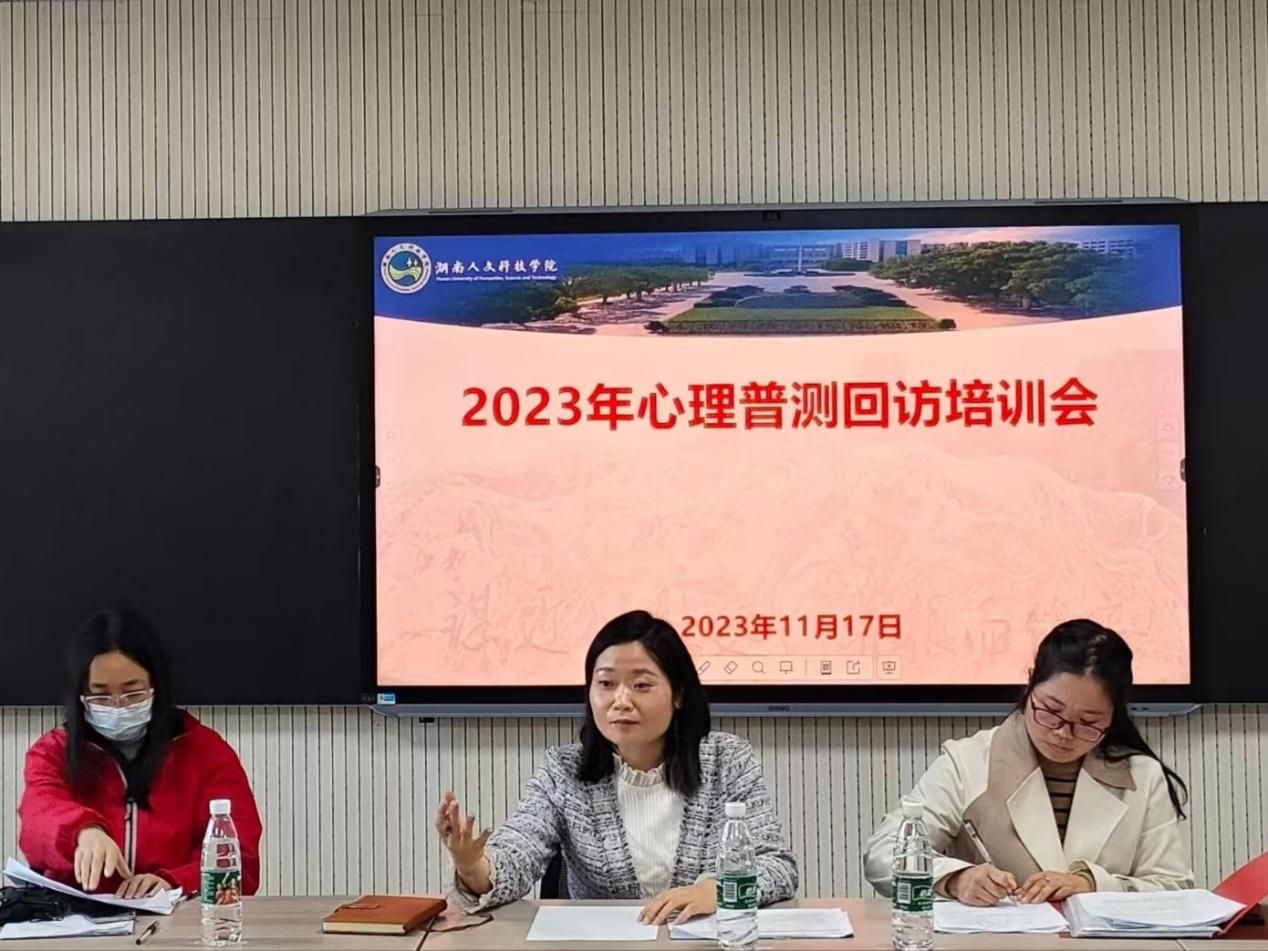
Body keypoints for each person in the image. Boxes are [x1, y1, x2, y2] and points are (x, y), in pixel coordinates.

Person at [435, 610, 799, 923]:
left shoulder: (727, 760)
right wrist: (473, 867)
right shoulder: (563, 771)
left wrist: (715, 890)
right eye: (606, 683)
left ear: (678, 694)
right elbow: (518, 853)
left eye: (641, 685)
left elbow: (777, 867)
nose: (621, 701)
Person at [864, 619, 1192, 905]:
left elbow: (1174, 888)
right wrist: (955, 879)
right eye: (1050, 711)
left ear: (1113, 715)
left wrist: (1093, 885)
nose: (1063, 733)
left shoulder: (1142, 776)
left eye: (1088, 722)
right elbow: (883, 854)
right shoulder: (969, 760)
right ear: (1030, 686)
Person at [19, 609, 263, 897]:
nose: (118, 706)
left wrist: (174, 882)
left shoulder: (206, 751)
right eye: (100, 695)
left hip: (177, 913)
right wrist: (83, 831)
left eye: (133, 692)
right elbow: (38, 821)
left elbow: (240, 862)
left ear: (155, 686)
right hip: (79, 913)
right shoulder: (52, 752)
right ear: (80, 695)